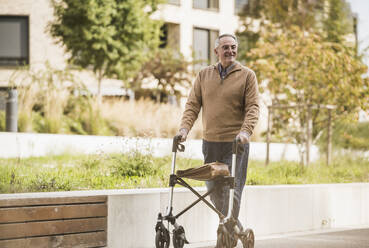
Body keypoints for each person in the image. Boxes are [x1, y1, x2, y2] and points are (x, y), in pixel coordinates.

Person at [177, 34, 259, 241]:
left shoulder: (247, 75)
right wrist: (184, 129)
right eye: (225, 48)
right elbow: (192, 105)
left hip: (235, 144)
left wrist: (245, 132)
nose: (230, 51)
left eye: (233, 47)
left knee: (233, 190)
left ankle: (224, 236)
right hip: (211, 142)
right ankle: (233, 229)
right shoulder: (204, 75)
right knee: (213, 189)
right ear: (216, 51)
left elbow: (253, 108)